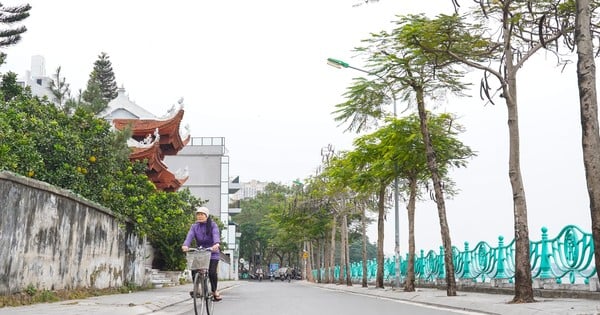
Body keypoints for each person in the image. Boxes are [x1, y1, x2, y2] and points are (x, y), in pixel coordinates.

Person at [182, 206, 222, 301]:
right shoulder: (194, 226)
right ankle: (197, 288)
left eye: (202, 214)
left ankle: (214, 291)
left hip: (212, 252)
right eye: (198, 214)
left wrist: (216, 244)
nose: (199, 216)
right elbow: (189, 236)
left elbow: (216, 234)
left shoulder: (213, 225)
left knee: (212, 272)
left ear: (206, 216)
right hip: (201, 252)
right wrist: (185, 245)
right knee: (194, 269)